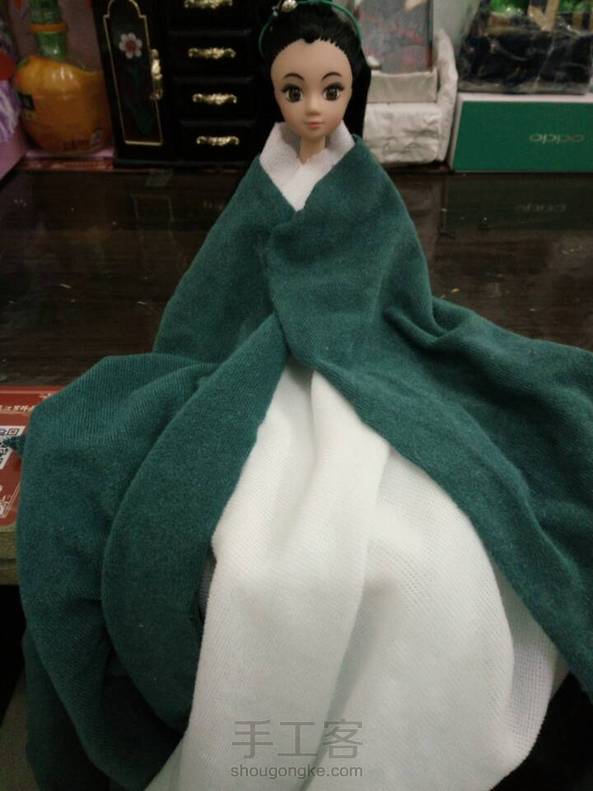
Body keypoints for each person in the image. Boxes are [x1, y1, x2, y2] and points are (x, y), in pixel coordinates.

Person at [10, 2, 593, 790]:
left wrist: (348, 325)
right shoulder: (262, 181)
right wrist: (251, 339)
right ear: (273, 92)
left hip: (362, 352)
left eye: (330, 89)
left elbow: (393, 285)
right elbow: (216, 288)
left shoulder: (364, 183)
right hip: (259, 364)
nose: (313, 108)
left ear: (352, 91)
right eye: (293, 90)